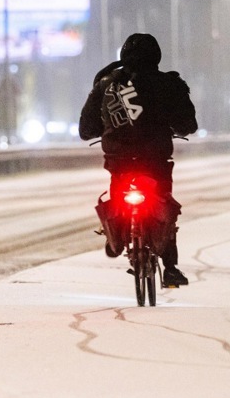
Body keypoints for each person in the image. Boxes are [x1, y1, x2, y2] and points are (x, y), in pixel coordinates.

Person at [79, 33, 197, 287]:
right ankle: (170, 267)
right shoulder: (169, 84)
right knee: (165, 207)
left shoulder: (106, 84)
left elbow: (86, 129)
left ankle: (116, 236)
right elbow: (187, 125)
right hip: (155, 161)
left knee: (117, 194)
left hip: (118, 160)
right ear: (157, 56)